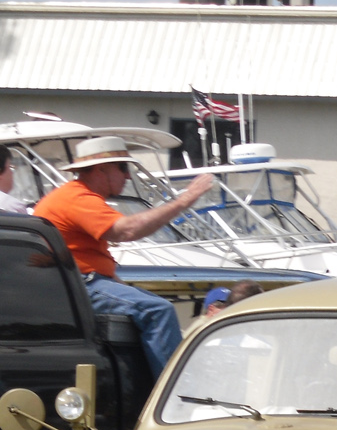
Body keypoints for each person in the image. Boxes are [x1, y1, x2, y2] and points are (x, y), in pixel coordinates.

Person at [33, 136, 214, 377]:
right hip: (78, 286)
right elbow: (127, 230)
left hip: (77, 284)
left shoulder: (76, 196)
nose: (128, 176)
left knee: (153, 306)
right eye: (123, 167)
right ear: (101, 169)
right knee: (158, 311)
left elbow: (91, 257)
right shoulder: (77, 198)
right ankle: (172, 397)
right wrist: (185, 200)